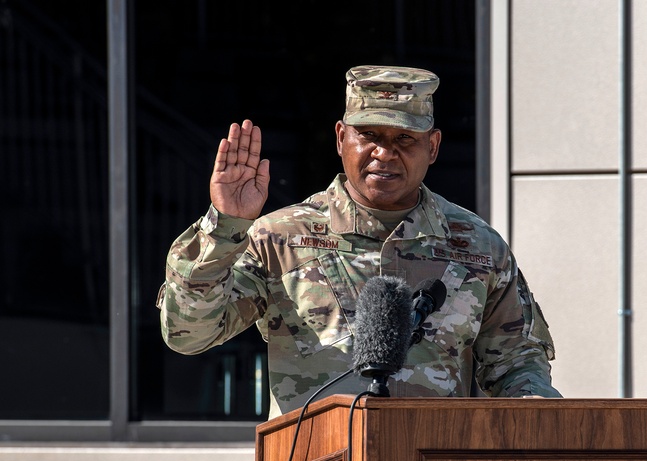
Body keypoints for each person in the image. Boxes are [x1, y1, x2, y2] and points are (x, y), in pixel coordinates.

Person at [157, 65, 559, 418]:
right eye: (368, 135)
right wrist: (226, 225)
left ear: (432, 147)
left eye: (405, 139)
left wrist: (549, 424)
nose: (384, 153)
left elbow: (516, 364)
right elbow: (188, 334)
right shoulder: (280, 238)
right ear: (340, 138)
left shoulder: (477, 247)